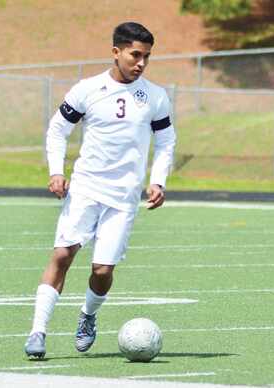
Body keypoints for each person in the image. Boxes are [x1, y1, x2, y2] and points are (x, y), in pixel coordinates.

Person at [24, 22, 176, 358]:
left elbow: (165, 140)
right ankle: (37, 332)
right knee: (62, 255)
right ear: (116, 52)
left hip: (123, 198)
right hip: (86, 189)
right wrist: (55, 172)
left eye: (147, 57)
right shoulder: (87, 89)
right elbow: (57, 130)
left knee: (102, 270)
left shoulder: (154, 96)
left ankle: (88, 316)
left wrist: (158, 179)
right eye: (135, 55)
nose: (141, 63)